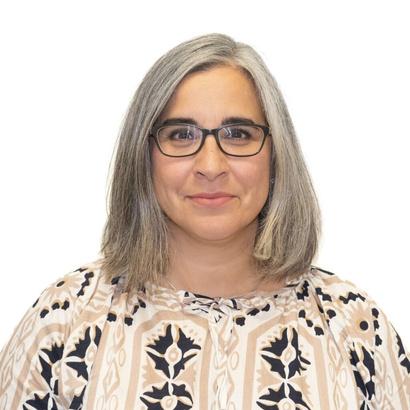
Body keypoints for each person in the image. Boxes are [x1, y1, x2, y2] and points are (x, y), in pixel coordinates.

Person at [0, 33, 409, 410]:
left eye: (238, 134)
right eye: (181, 135)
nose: (211, 166)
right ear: (143, 156)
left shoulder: (355, 328)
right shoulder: (63, 322)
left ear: (275, 154)